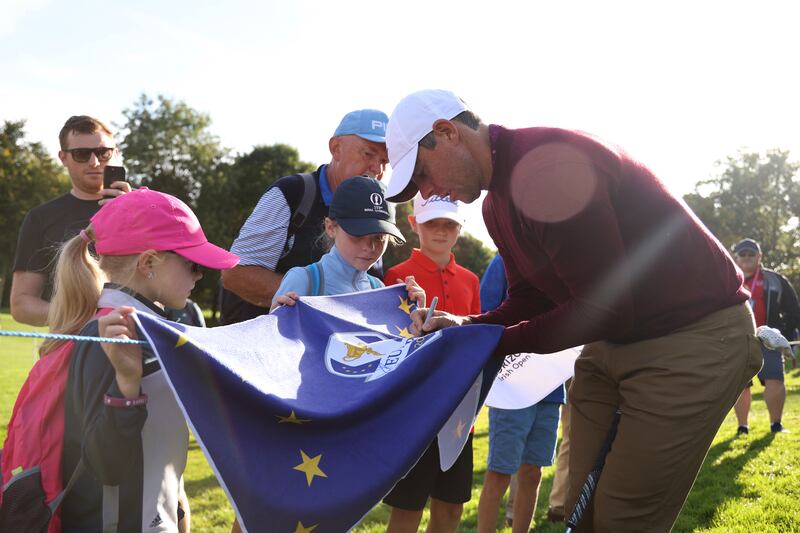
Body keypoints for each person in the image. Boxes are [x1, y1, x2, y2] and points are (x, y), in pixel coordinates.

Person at [386, 89, 763, 532]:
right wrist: (467, 327)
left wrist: (491, 342)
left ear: (447, 133)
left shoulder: (545, 166)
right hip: (615, 342)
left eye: (422, 174)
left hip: (692, 336)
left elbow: (605, 309)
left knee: (621, 521)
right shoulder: (496, 204)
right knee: (581, 513)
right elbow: (530, 298)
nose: (428, 193)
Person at [47, 187, 238, 532]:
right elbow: (104, 466)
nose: (199, 276)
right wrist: (125, 385)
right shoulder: (110, 333)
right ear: (148, 263)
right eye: (192, 264)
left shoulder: (151, 329)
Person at [221, 109, 389, 324]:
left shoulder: (377, 208)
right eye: (368, 154)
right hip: (259, 348)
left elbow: (365, 284)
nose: (377, 169)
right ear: (336, 148)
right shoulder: (291, 193)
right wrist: (321, 298)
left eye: (385, 161)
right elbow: (235, 274)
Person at [378, 193, 480, 533]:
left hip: (460, 412)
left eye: (448, 224)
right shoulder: (396, 274)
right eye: (431, 223)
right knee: (407, 510)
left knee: (450, 508)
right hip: (414, 413)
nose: (440, 231)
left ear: (460, 227)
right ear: (413, 224)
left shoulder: (470, 280)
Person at [10, 115, 131, 326]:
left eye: (103, 153)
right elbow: (21, 305)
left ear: (116, 153)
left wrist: (134, 211)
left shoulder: (146, 209)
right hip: (70, 350)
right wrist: (86, 319)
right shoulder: (40, 218)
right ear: (63, 158)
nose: (94, 162)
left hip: (136, 342)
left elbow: (169, 287)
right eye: (81, 154)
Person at [475, 253, 564, 533]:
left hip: (551, 387)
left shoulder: (564, 259)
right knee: (500, 472)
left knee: (533, 472)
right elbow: (490, 313)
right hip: (512, 384)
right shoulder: (504, 261)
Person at [732, 238, 800, 434]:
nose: (747, 258)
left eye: (751, 254)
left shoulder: (775, 279)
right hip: (740, 339)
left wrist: (783, 334)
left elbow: (793, 310)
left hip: (767, 339)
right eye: (742, 255)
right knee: (741, 385)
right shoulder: (729, 281)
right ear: (736, 258)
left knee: (775, 380)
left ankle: (776, 425)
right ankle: (742, 427)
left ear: (759, 257)